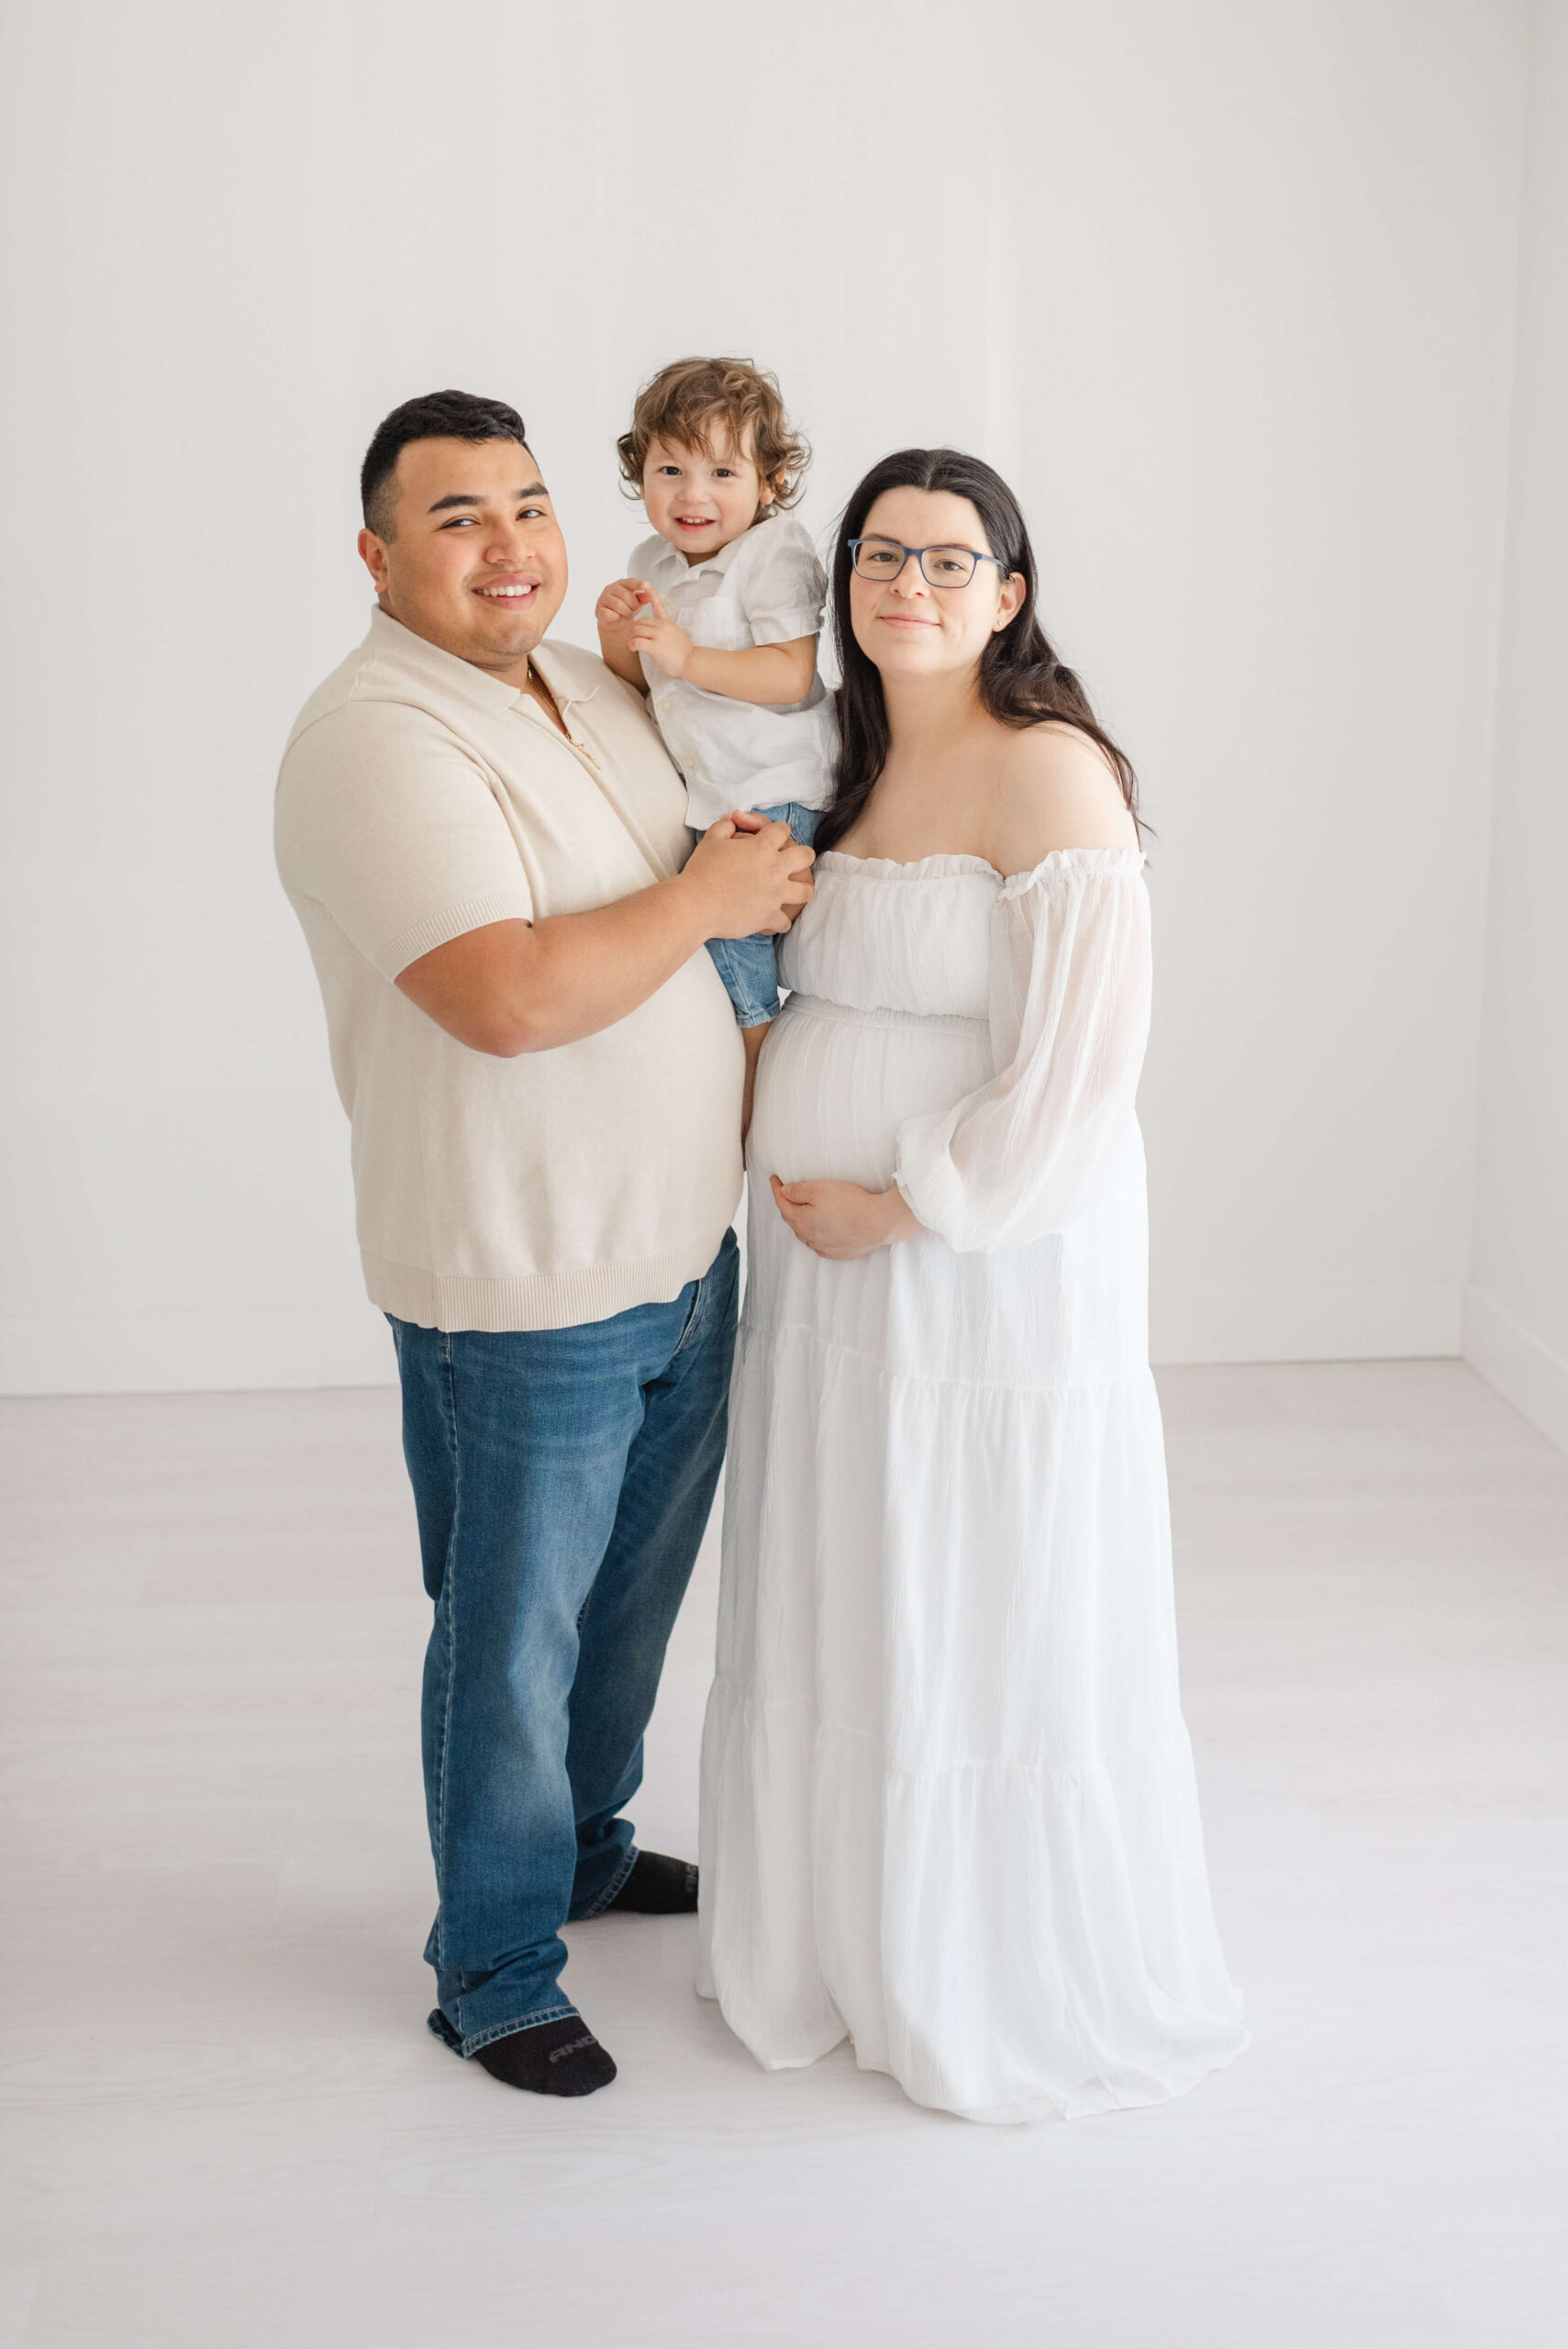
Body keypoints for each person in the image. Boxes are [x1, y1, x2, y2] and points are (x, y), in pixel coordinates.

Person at [697, 447, 1249, 2122]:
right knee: (851, 1572)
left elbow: (1081, 1071)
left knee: (963, 1584)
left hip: (972, 1278)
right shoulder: (838, 768)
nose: (903, 587)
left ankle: (972, 1956)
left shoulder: (1048, 774)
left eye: (946, 562)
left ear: (1007, 596)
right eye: (876, 555)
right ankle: (839, 1936)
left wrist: (911, 1202)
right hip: (826, 1291)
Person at [274, 389, 814, 2099]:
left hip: (675, 1252)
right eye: (456, 518)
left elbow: (718, 837)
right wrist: (712, 902)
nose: (509, 546)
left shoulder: (584, 682)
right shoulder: (375, 734)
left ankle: (582, 1848)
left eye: (526, 505)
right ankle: (493, 1964)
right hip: (522, 1279)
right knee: (509, 1640)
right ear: (377, 555)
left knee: (626, 1614)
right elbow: (505, 999)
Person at [595, 358, 835, 1131]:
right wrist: (617, 637)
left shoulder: (775, 555)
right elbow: (642, 685)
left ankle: (755, 1101)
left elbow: (792, 675)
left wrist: (686, 655)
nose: (692, 494)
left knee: (736, 961)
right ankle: (727, 1083)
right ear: (641, 476)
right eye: (670, 468)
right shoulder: (650, 566)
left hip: (771, 786)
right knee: (699, 967)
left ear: (767, 483)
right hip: (708, 794)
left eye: (722, 471)